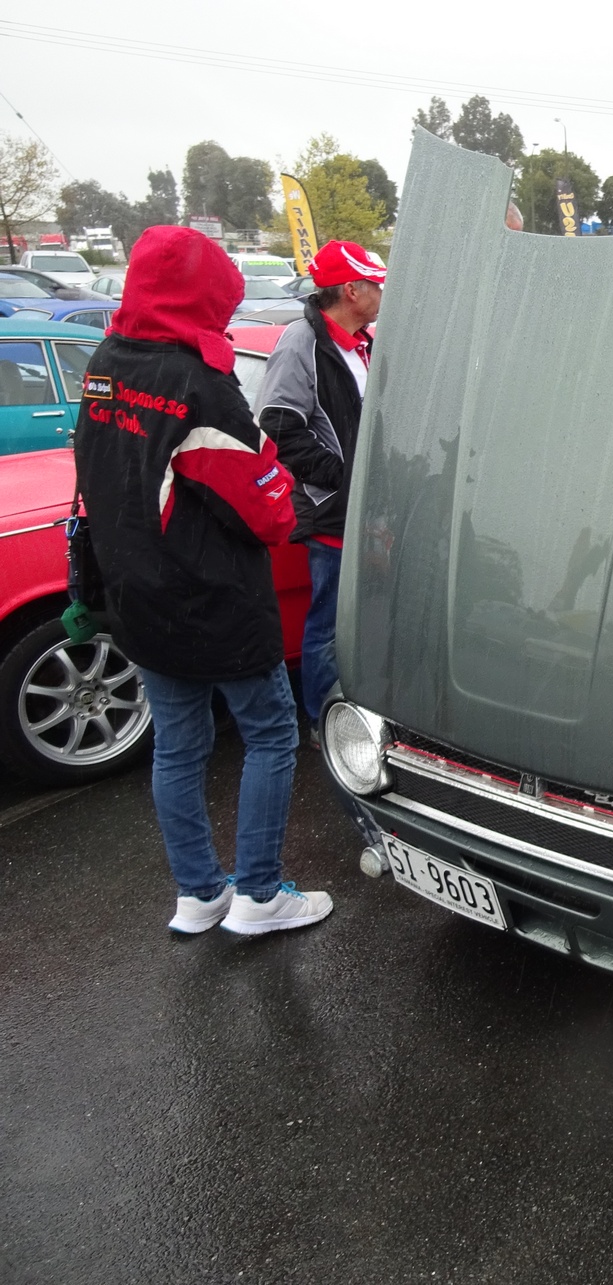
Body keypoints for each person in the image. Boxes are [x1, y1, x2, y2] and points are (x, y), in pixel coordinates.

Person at [74, 225, 333, 935]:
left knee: (179, 746)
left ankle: (198, 894)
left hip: (137, 596)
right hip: (214, 600)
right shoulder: (201, 384)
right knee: (272, 735)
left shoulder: (107, 359)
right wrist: (273, 468)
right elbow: (268, 513)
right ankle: (259, 895)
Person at [255, 240, 386, 736]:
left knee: (365, 622)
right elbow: (278, 426)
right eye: (376, 285)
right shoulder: (301, 341)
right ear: (351, 290)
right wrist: (342, 477)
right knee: (330, 626)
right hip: (332, 509)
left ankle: (363, 712)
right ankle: (322, 723)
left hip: (370, 509)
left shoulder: (364, 341)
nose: (383, 294)